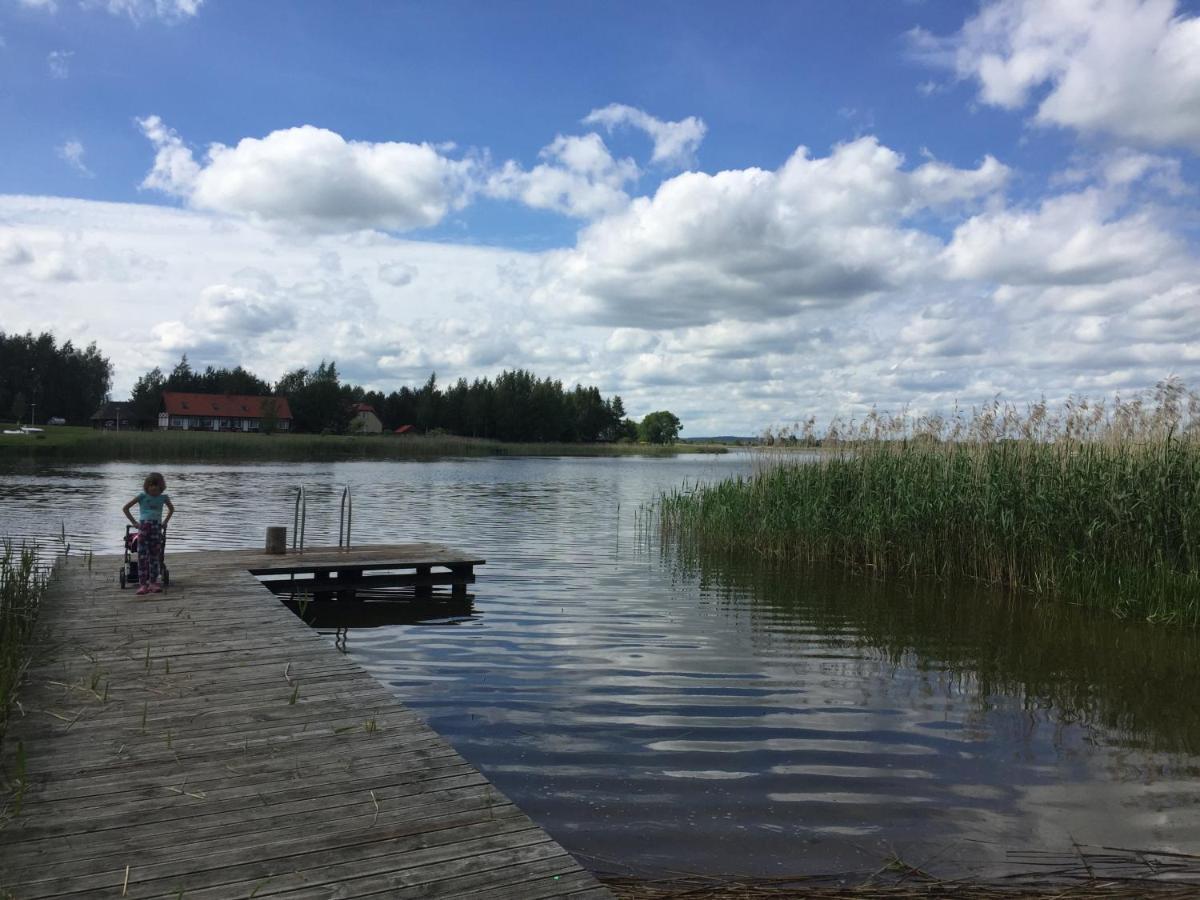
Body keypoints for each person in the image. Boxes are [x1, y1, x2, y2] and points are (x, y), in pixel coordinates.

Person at [122, 472, 174, 596]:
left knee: (155, 557)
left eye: (156, 485)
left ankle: (153, 583)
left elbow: (172, 509)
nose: (154, 487)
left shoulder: (163, 498)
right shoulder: (142, 496)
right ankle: (143, 584)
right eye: (151, 485)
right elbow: (125, 508)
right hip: (144, 530)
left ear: (161, 486)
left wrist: (165, 522)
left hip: (156, 529)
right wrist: (134, 522)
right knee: (142, 557)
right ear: (147, 486)